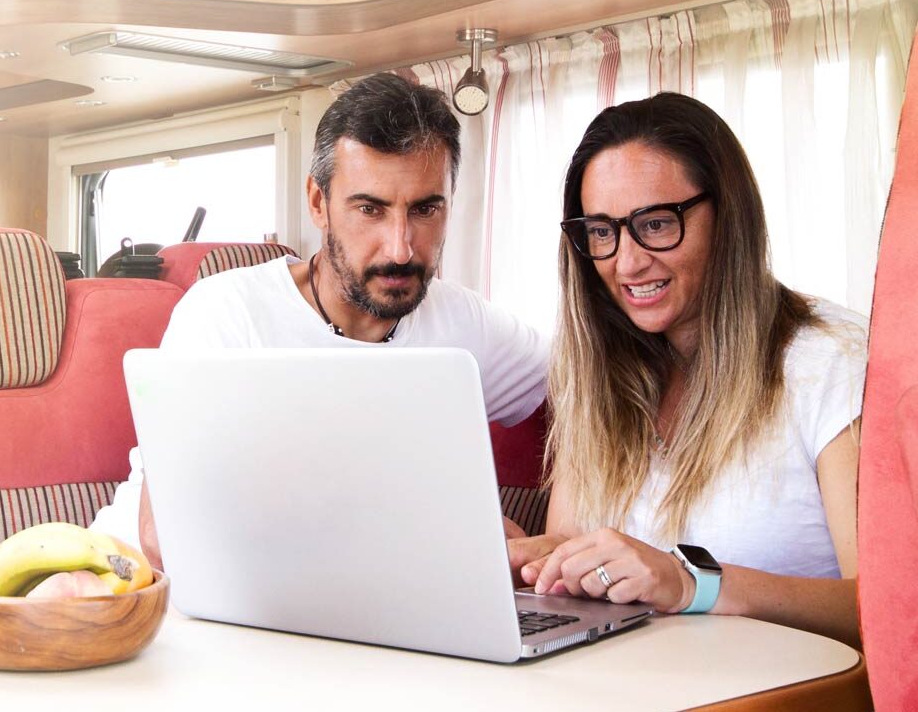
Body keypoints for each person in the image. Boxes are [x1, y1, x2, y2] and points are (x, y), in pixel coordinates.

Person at [91, 73, 549, 567]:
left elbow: (589, 378)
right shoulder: (226, 315)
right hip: (140, 597)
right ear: (318, 203)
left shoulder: (465, 324)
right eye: (370, 209)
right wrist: (449, 533)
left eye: (424, 209)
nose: (400, 248)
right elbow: (165, 536)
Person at [509, 92, 865, 647]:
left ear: (729, 216)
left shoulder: (831, 362)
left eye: (654, 224)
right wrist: (536, 562)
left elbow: (888, 611)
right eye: (601, 231)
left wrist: (691, 585)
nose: (626, 262)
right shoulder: (597, 375)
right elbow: (576, 556)